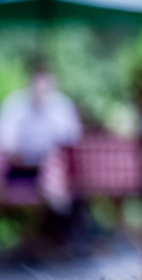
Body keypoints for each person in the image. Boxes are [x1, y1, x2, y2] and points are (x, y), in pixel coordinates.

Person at [0, 59, 81, 200]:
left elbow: (71, 142)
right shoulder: (14, 104)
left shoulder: (63, 106)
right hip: (18, 170)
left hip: (53, 173)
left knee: (60, 175)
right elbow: (6, 143)